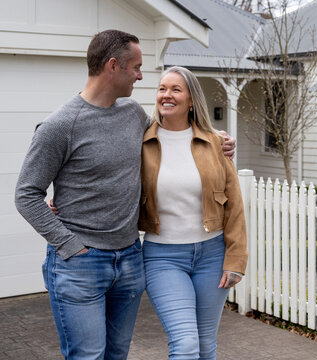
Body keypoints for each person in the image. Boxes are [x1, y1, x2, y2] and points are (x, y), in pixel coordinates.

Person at [14, 30, 235, 360]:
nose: (141, 75)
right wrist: (70, 244)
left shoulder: (132, 114)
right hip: (80, 265)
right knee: (88, 355)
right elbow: (26, 194)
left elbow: (172, 135)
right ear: (113, 66)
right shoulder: (60, 126)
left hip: (130, 260)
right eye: (136, 67)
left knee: (117, 354)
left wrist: (218, 137)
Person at [138, 66, 248, 360]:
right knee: (186, 344)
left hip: (212, 255)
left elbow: (234, 205)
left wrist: (235, 260)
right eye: (162, 88)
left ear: (191, 99)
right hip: (162, 258)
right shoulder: (141, 141)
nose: (167, 95)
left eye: (176, 89)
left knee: (205, 345)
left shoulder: (215, 143)